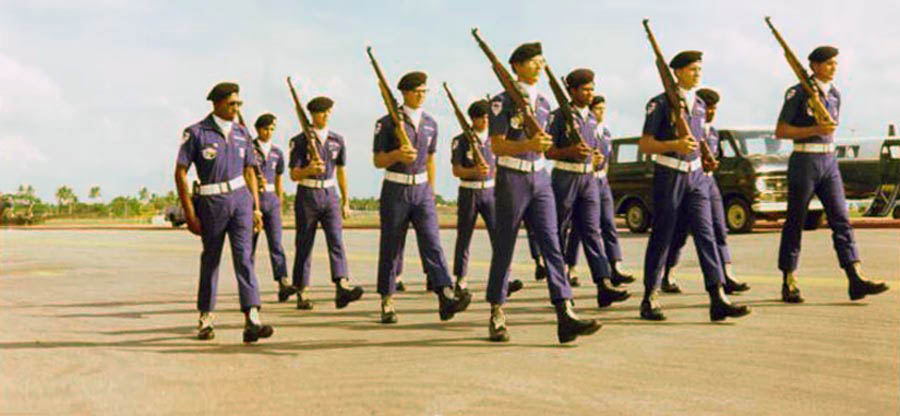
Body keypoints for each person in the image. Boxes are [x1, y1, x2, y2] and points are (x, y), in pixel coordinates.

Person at [484, 42, 600, 343]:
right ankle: (497, 311)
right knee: (505, 246)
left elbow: (546, 145)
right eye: (534, 61)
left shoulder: (546, 103)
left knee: (552, 244)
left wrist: (543, 147)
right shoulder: (501, 101)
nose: (539, 65)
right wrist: (527, 145)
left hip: (540, 178)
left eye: (542, 60)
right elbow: (496, 145)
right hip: (512, 177)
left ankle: (565, 312)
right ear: (517, 66)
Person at [638, 51, 750, 322]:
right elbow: (646, 144)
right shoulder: (660, 104)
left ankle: (717, 296)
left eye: (699, 69)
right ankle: (649, 296)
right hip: (670, 175)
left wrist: (705, 157)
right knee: (663, 236)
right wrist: (673, 145)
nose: (697, 73)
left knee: (706, 234)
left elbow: (698, 140)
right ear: (677, 73)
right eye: (691, 69)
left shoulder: (699, 104)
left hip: (697, 177)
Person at [775, 46, 888, 303]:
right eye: (828, 64)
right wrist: (815, 128)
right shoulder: (798, 93)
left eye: (835, 63)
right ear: (814, 66)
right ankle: (789, 279)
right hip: (805, 159)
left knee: (841, 218)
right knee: (796, 220)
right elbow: (781, 130)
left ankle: (855, 276)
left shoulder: (834, 94)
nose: (833, 68)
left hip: (828, 160)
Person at [174, 81, 273, 343]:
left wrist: (256, 208)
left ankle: (252, 317)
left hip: (241, 200)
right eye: (232, 104)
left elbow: (250, 170)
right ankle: (206, 317)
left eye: (239, 103)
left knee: (245, 258)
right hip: (211, 202)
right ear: (216, 104)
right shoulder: (196, 133)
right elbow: (180, 172)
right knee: (212, 260)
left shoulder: (242, 132)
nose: (236, 108)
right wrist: (190, 213)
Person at [372, 71, 471, 324]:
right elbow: (377, 160)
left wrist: (432, 190)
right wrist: (396, 156)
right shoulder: (387, 122)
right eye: (417, 90)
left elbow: (429, 159)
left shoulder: (430, 123)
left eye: (424, 91)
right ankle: (387, 300)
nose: (421, 95)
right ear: (405, 93)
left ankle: (445, 294)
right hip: (396, 189)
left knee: (433, 243)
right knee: (392, 247)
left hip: (423, 190)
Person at [546, 68, 630, 308]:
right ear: (572, 91)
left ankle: (603, 284)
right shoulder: (559, 116)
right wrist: (569, 152)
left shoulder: (591, 118)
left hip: (589, 180)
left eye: (592, 88)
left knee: (593, 232)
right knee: (559, 231)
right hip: (565, 177)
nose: (590, 93)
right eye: (585, 89)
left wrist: (592, 157)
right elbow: (548, 151)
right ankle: (561, 287)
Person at [660, 88, 749, 295]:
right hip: (690, 180)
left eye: (714, 108)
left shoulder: (713, 133)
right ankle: (668, 274)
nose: (711, 112)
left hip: (709, 183)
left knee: (719, 229)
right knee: (679, 233)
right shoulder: (690, 129)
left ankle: (727, 274)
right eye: (709, 108)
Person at [289, 96, 364, 310]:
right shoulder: (300, 140)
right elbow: (293, 174)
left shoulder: (337, 140)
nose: (326, 115)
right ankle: (302, 291)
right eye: (322, 112)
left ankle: (342, 285)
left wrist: (346, 200)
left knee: (336, 241)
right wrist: (308, 170)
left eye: (329, 112)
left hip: (330, 194)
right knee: (304, 244)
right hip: (308, 194)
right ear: (312, 115)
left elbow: (341, 171)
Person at [561, 94, 636, 288]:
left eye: (603, 109)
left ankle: (615, 265)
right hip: (586, 179)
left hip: (602, 181)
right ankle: (571, 266)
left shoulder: (606, 133)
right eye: (597, 109)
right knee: (579, 228)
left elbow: (607, 159)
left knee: (609, 223)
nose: (601, 113)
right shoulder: (586, 130)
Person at [450, 99, 523, 297]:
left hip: (491, 192)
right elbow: (456, 170)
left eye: (488, 117)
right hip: (469, 191)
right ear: (473, 119)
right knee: (464, 237)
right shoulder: (461, 140)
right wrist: (474, 170)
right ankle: (461, 279)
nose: (486, 120)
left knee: (499, 237)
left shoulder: (495, 139)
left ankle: (503, 278)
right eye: (482, 117)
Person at [248, 113, 295, 303]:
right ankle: (250, 287)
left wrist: (279, 200)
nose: (269, 132)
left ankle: (283, 282)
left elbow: (279, 178)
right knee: (249, 247)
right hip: (253, 199)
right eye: (266, 128)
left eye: (272, 129)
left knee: (276, 244)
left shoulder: (277, 152)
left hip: (271, 200)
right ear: (258, 129)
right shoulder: (249, 148)